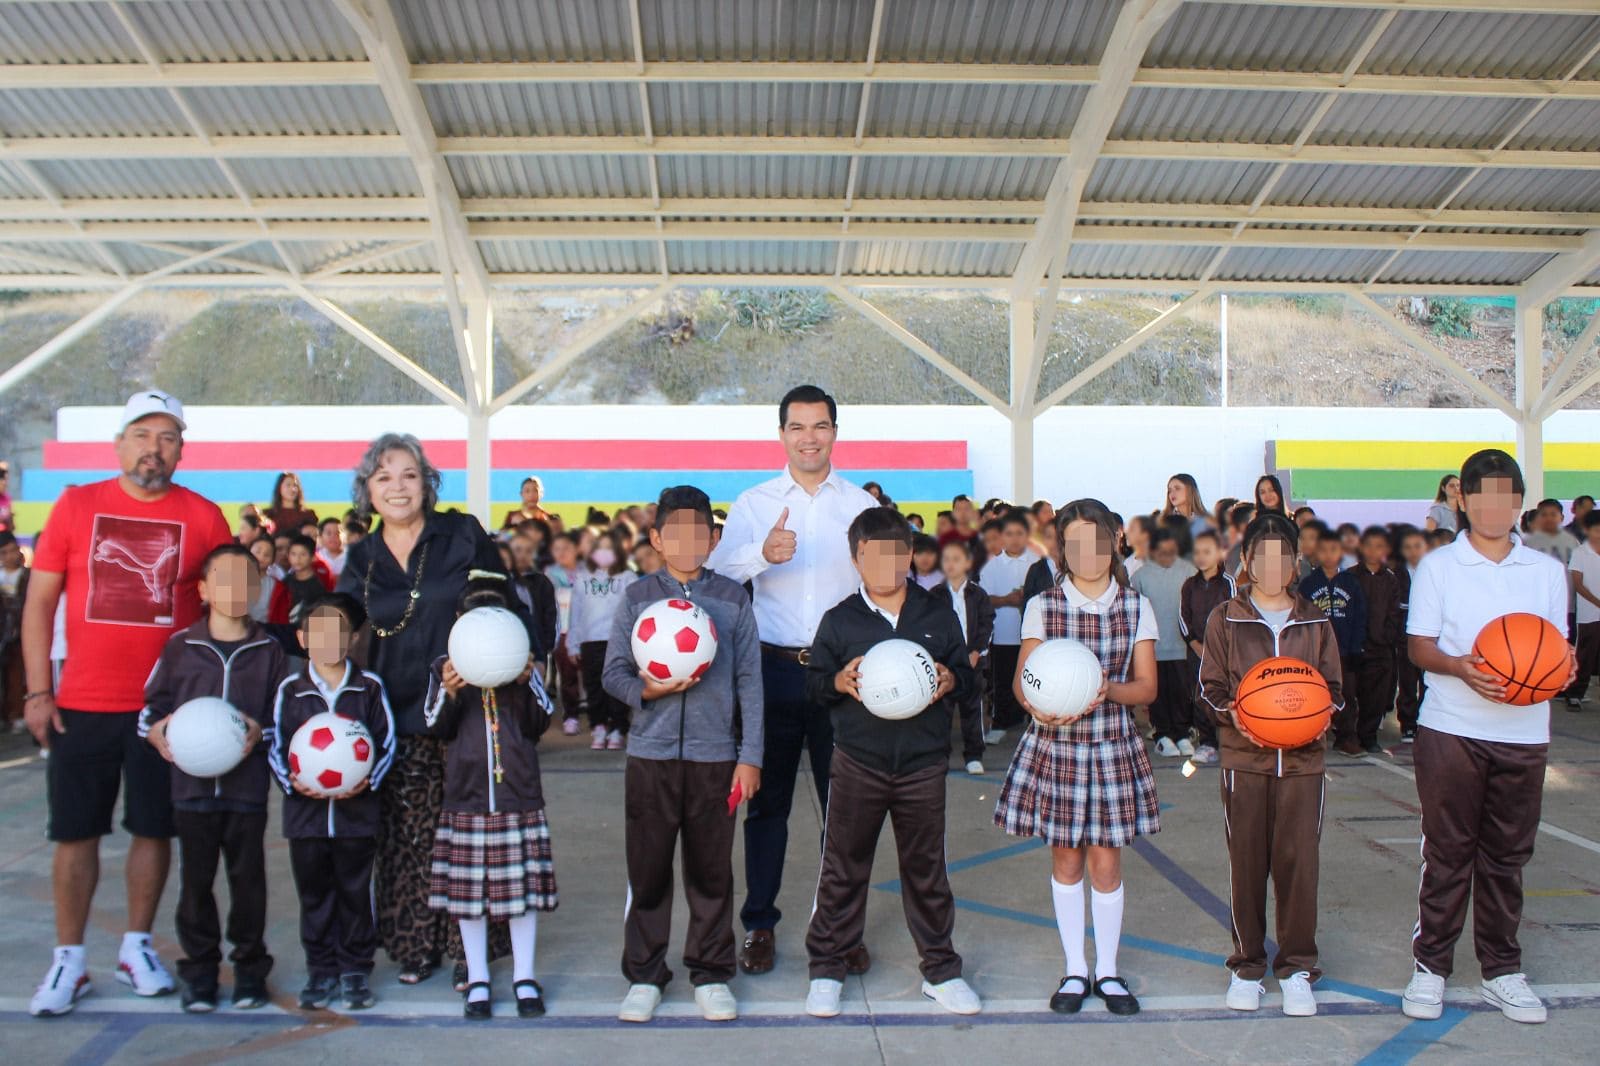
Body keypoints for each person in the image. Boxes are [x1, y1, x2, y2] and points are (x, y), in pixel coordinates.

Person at [22, 390, 233, 1018]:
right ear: (120, 444)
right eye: (142, 435)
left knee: (153, 828)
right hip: (81, 703)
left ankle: (135, 947)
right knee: (75, 833)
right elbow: (39, 604)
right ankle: (69, 959)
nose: (154, 448)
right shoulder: (76, 505)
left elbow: (226, 610)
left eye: (168, 437)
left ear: (181, 449)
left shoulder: (204, 517)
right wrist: (39, 690)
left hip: (166, 711)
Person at [334, 433, 529, 987]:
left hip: (469, 708)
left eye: (409, 475)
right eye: (383, 477)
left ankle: (472, 954)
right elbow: (339, 632)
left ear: (428, 483)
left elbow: (503, 604)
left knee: (472, 833)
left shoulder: (462, 534)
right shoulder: (362, 558)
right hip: (396, 715)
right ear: (367, 491)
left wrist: (515, 660)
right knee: (409, 834)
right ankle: (414, 943)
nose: (397, 487)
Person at [704, 384, 877, 976]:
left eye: (820, 425)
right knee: (767, 807)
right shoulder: (754, 502)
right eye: (798, 426)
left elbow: (881, 587)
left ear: (835, 432)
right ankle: (759, 925)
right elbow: (718, 572)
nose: (809, 437)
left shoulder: (860, 506)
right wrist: (761, 554)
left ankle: (841, 929)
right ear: (781, 434)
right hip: (770, 674)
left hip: (840, 677)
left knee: (844, 812)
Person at [1399, 449, 1575, 1026]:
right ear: (1463, 500)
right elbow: (1419, 646)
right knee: (1447, 852)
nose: (1497, 506)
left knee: (1507, 856)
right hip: (1452, 728)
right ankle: (1430, 968)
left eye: (1508, 495)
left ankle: (1502, 970)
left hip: (1524, 734)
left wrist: (1563, 670)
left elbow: (1555, 652)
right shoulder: (1439, 567)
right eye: (1485, 495)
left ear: (1520, 502)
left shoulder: (1545, 572)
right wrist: (1458, 667)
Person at [802, 507, 977, 1019]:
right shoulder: (839, 621)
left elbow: (968, 680)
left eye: (894, 552)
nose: (884, 564)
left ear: (909, 556)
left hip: (923, 764)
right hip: (858, 762)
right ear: (857, 558)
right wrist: (836, 682)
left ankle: (940, 970)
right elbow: (814, 684)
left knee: (926, 870)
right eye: (871, 554)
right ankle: (827, 967)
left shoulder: (937, 615)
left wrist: (951, 681)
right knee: (843, 868)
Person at [602, 486, 764, 1024]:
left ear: (715, 539)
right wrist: (645, 692)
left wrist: (751, 756)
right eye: (676, 532)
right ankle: (645, 975)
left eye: (701, 532)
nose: (689, 542)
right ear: (655, 538)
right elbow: (613, 673)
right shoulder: (636, 597)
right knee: (647, 870)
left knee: (711, 871)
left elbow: (750, 682)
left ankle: (711, 972)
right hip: (650, 756)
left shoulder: (734, 599)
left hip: (716, 758)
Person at [995, 499, 1159, 1017]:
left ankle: (1107, 971)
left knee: (1106, 862)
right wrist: (1043, 707)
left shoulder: (1136, 606)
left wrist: (1105, 689)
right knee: (1065, 857)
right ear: (1061, 549)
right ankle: (1075, 968)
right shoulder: (1042, 604)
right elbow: (1023, 682)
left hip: (1111, 745)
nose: (1088, 552)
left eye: (1098, 540)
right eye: (1075, 543)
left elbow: (1148, 689)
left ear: (1115, 543)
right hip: (1057, 744)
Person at [1198, 512, 1344, 1019]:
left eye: (1284, 555)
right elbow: (1210, 687)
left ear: (1295, 562)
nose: (1275, 564)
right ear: (1248, 563)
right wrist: (1233, 712)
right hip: (1246, 761)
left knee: (1299, 867)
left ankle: (1298, 966)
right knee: (1247, 865)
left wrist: (1324, 716)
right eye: (1264, 556)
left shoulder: (1316, 621)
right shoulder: (1226, 618)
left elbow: (1336, 691)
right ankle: (1247, 965)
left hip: (1303, 763)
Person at [140, 544, 291, 1011]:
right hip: (191, 792)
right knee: (195, 884)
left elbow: (283, 718)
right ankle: (200, 972)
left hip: (245, 793)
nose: (234, 589)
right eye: (222, 580)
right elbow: (149, 711)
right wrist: (157, 732)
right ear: (203, 589)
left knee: (248, 883)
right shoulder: (181, 647)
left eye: (246, 580)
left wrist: (258, 731)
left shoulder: (270, 650)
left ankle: (250, 971)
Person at [425, 573, 557, 1020]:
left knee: (521, 894)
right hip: (466, 797)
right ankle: (478, 977)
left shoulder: (521, 666)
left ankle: (524, 975)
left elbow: (541, 724)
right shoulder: (447, 667)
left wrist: (529, 679)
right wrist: (448, 689)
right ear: (461, 622)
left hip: (518, 796)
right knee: (469, 897)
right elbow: (436, 727)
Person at [268, 593, 395, 1012]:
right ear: (302, 638)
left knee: (355, 892)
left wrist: (366, 781)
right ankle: (321, 968)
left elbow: (387, 743)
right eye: (318, 633)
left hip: (357, 817)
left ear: (352, 639)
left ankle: (356, 969)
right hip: (305, 819)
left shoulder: (369, 687)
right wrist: (292, 782)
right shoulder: (292, 689)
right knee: (315, 894)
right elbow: (276, 743)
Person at [566, 527, 637, 750]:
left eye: (609, 547)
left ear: (618, 551)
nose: (604, 552)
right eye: (600, 547)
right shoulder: (582, 578)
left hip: (619, 640)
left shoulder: (628, 577)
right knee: (594, 686)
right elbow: (575, 613)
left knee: (617, 686)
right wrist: (572, 643)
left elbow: (635, 610)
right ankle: (598, 726)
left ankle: (618, 728)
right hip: (590, 640)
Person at [1299, 527, 1368, 757]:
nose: (1328, 554)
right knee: (1313, 693)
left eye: (1334, 549)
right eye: (1323, 550)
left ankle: (1346, 737)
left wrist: (1357, 645)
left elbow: (1360, 615)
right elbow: (1300, 617)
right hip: (1316, 651)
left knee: (1346, 694)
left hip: (1345, 650)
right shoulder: (1308, 585)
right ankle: (1309, 734)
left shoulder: (1351, 582)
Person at [1132, 527, 1197, 757]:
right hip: (1153, 650)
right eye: (1161, 551)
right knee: (1157, 695)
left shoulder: (1189, 571)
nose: (1166, 556)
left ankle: (1181, 734)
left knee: (1181, 693)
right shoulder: (1140, 576)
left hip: (1182, 646)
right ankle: (1162, 735)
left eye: (1171, 551)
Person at [933, 537, 995, 775]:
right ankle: (940, 755)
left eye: (956, 559)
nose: (950, 564)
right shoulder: (935, 595)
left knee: (972, 709)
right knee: (942, 711)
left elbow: (986, 624)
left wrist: (976, 651)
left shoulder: (978, 594)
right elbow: (932, 629)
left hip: (972, 662)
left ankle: (974, 755)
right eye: (946, 559)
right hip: (945, 664)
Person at [979, 509, 1039, 742]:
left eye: (1019, 533)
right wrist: (1007, 600)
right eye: (1009, 534)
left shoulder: (1036, 564)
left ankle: (1031, 719)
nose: (1014, 539)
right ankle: (1001, 721)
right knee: (1002, 679)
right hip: (1003, 634)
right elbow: (984, 599)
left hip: (1032, 636)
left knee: (1032, 677)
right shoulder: (992, 567)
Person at [1179, 529, 1235, 767]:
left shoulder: (1228, 583)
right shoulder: (1189, 586)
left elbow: (1235, 614)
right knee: (1202, 696)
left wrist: (1220, 647)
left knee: (1228, 694)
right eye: (1198, 552)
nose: (1202, 557)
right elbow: (1183, 617)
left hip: (1224, 652)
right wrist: (1194, 643)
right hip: (1197, 652)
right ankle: (1207, 743)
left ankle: (1232, 741)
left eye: (1207, 552)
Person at [1347, 527, 1403, 753]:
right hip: (1354, 648)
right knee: (1350, 694)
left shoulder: (1391, 580)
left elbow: (1395, 613)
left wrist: (1386, 637)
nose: (1373, 551)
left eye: (1379, 546)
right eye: (1368, 545)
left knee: (1376, 697)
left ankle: (1368, 736)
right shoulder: (1350, 577)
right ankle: (1348, 737)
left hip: (1380, 649)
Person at [545, 533, 583, 733]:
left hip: (587, 631)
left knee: (593, 676)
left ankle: (599, 717)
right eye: (557, 549)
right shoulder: (550, 573)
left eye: (566, 548)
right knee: (567, 675)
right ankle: (571, 715)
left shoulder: (587, 572)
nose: (562, 553)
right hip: (563, 631)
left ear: (576, 550)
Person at [1395, 526, 1430, 740]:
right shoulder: (1396, 573)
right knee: (1407, 681)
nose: (1413, 551)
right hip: (1404, 636)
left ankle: (1425, 721)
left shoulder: (1434, 570)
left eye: (1418, 546)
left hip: (1430, 637)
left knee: (1428, 681)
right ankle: (1407, 722)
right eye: (1408, 547)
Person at [1564, 511, 1600, 710]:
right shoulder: (1580, 552)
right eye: (1596, 530)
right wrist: (1596, 602)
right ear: (1588, 530)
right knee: (1586, 654)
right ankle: (1575, 693)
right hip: (1589, 613)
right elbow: (1577, 583)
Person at [268, 534, 334, 625]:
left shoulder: (319, 585)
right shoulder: (285, 582)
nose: (297, 559)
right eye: (293, 554)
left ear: (313, 557)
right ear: (288, 556)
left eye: (303, 554)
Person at [0, 530, 29, 732]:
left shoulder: (29, 576)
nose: (11, 556)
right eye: (5, 552)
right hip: (3, 635)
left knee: (18, 676)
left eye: (13, 550)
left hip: (22, 634)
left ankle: (17, 714)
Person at [263, 472, 318, 536]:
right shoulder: (268, 514)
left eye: (295, 485)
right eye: (288, 485)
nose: (292, 489)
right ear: (279, 488)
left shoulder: (308, 515)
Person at [1161, 473, 1213, 538]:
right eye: (1170, 490)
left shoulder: (1206, 521)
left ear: (1190, 490)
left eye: (1177, 488)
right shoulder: (1163, 521)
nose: (1172, 493)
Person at [0, 459, 13, 533]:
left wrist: (10, 518)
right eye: (2, 478)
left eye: (6, 479)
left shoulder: (7, 498)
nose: (5, 483)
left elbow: (11, 528)